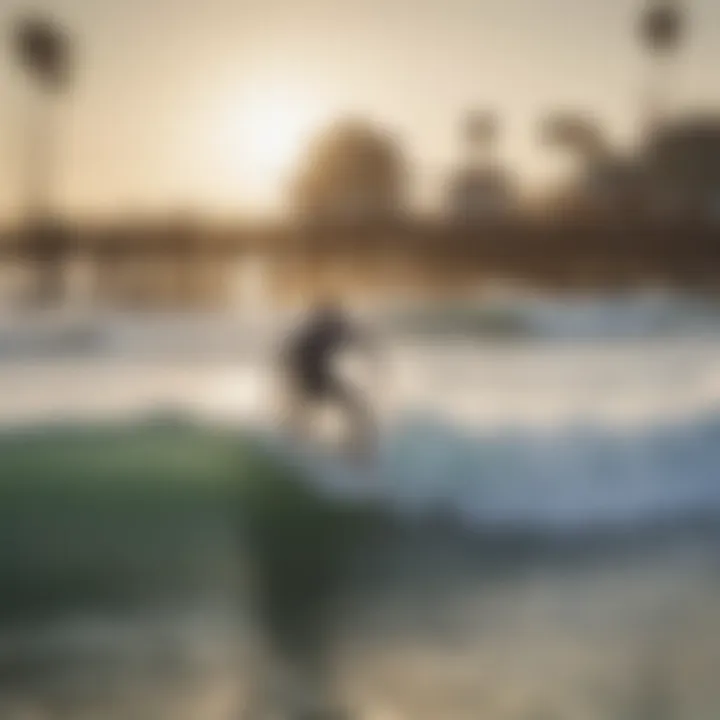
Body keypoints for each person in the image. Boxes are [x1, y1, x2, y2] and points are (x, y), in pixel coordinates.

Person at [278, 297, 377, 459]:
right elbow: (290, 357)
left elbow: (358, 338)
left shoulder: (330, 329)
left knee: (350, 408)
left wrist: (371, 358)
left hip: (318, 377)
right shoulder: (314, 333)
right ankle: (293, 442)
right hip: (310, 378)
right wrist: (293, 382)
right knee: (310, 411)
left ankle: (356, 444)